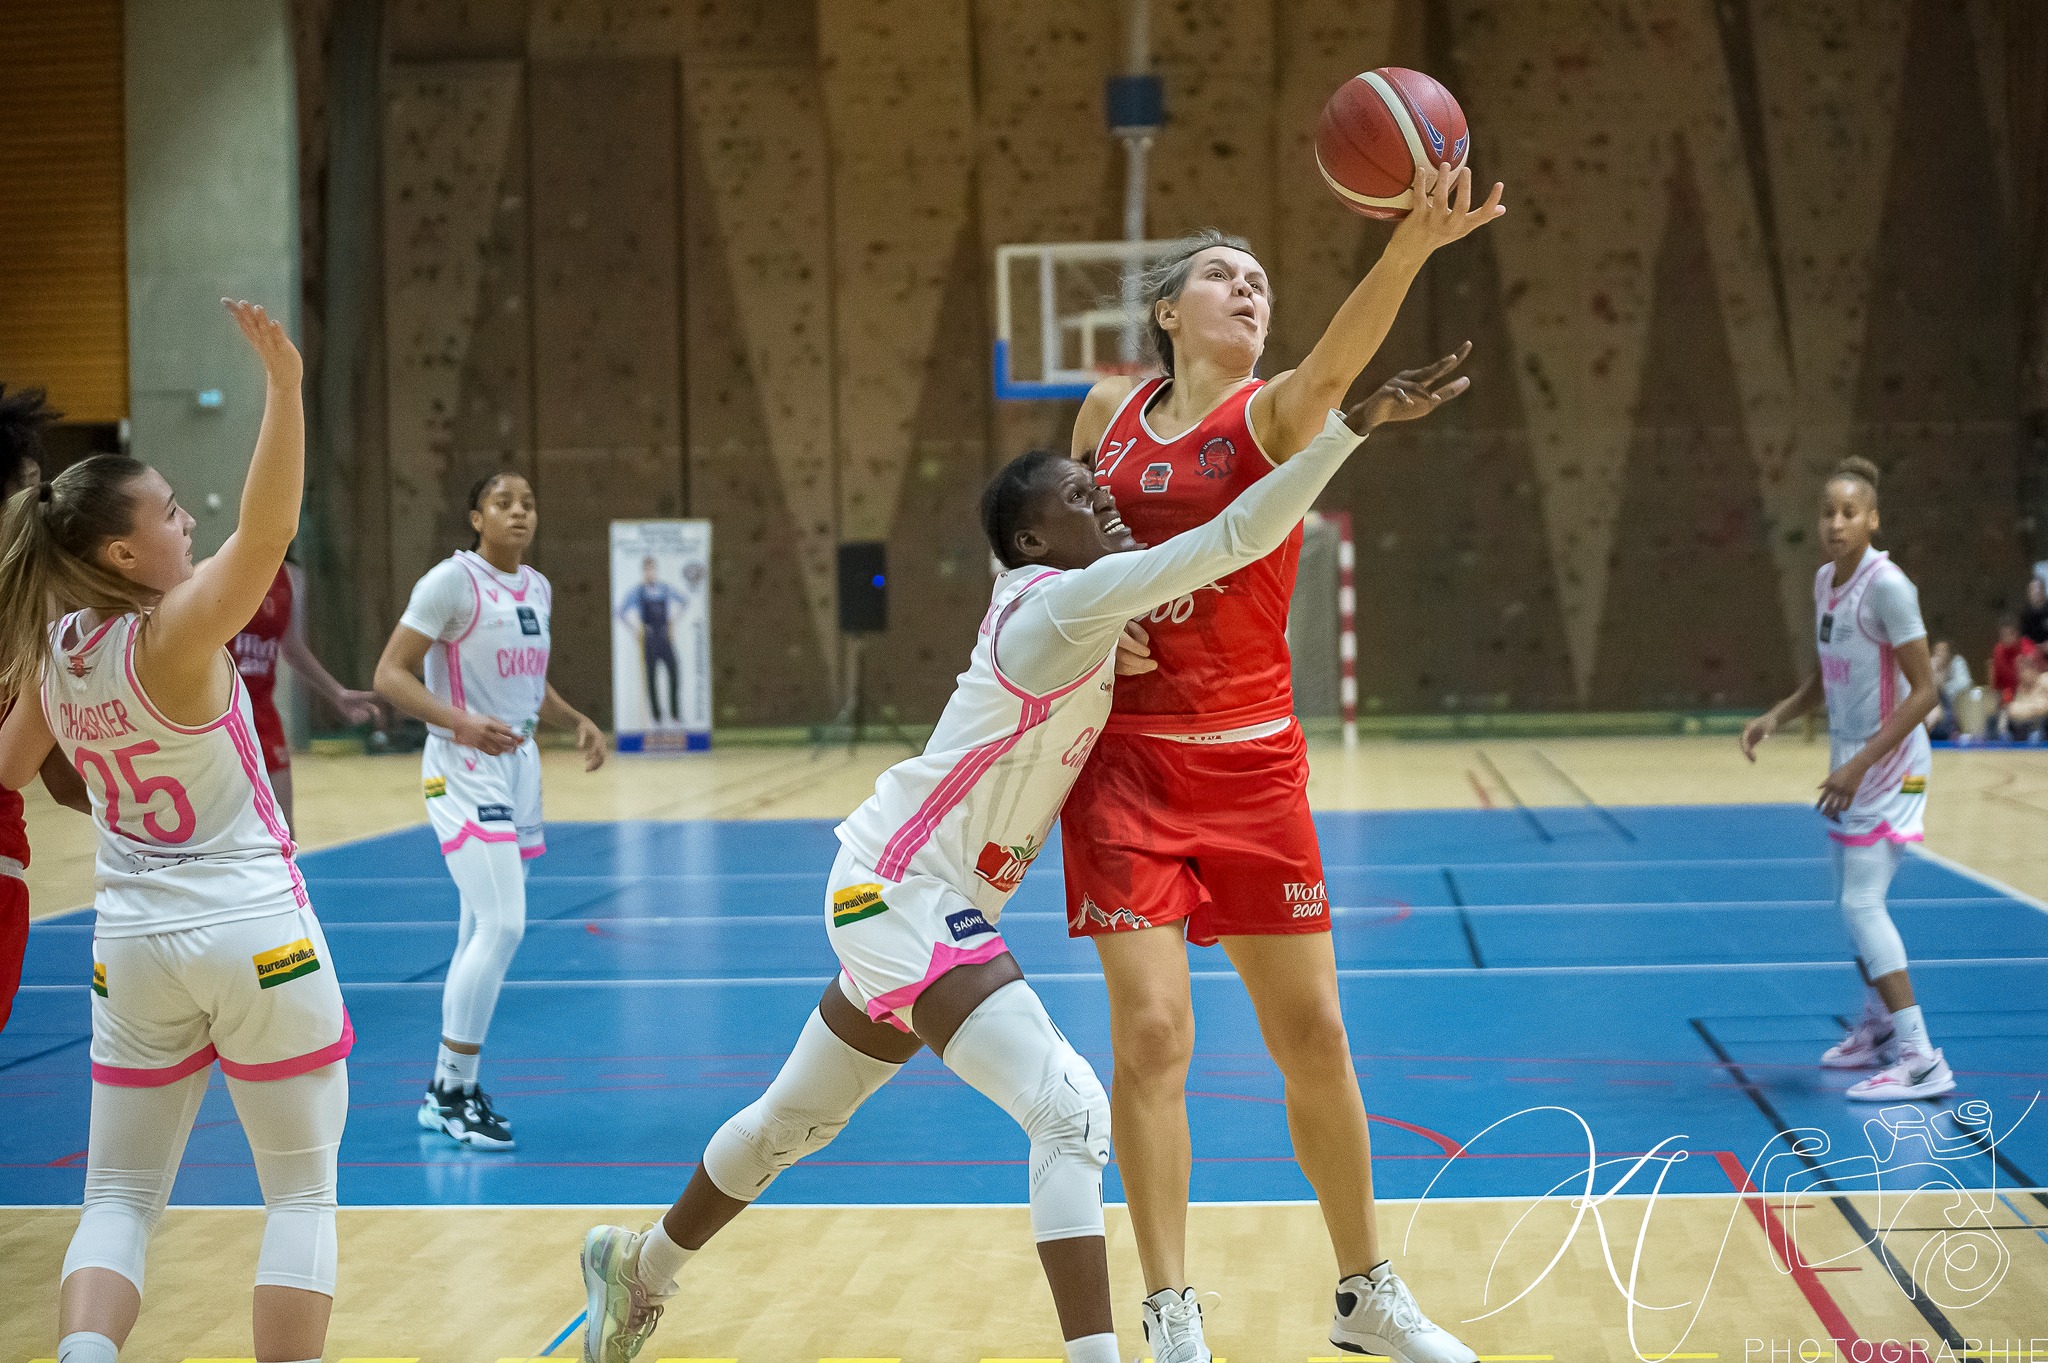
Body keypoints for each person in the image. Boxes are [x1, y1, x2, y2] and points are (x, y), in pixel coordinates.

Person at [573, 352, 1472, 1363]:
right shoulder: (1055, 602)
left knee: (791, 1121)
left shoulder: (1077, 606)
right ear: (1036, 537)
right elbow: (1238, 534)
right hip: (900, 895)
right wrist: (1348, 427)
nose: (1113, 500)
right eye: (1089, 494)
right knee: (1070, 1108)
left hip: (918, 901)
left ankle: (636, 1265)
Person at [1057, 164, 1503, 1363]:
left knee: (1312, 1038)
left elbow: (1338, 373)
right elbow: (1048, 553)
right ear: (1167, 308)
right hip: (1123, 770)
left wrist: (1407, 249)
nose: (1248, 288)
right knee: (1151, 1036)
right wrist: (1084, 611)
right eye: (1222, 273)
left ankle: (1364, 1292)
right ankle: (1169, 1312)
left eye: (1260, 279)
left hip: (1252, 768)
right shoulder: (1104, 416)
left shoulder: (1271, 414)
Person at [0, 303, 350, 1363]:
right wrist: (284, 388)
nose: (188, 519)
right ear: (121, 548)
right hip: (256, 934)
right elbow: (272, 526)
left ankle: (83, 1356)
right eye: (167, 512)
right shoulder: (179, 630)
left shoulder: (55, 653)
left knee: (115, 1194)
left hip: (134, 946)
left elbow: (7, 772)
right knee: (299, 1193)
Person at [374, 470, 607, 1149]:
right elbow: (390, 674)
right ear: (476, 516)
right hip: (463, 763)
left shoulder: (537, 587)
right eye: (503, 503)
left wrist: (572, 720)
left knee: (479, 928)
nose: (519, 513)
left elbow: (528, 682)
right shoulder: (451, 582)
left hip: (518, 764)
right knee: (503, 924)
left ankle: (444, 1087)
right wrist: (460, 722)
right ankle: (453, 1090)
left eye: (529, 503)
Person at [1741, 456, 1952, 1101]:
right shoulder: (1825, 582)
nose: (1836, 522)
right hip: (1855, 762)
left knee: (1863, 904)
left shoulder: (1890, 588)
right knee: (1856, 903)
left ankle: (1920, 1058)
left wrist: (1858, 767)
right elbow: (1828, 672)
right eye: (1828, 511)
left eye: (1850, 512)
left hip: (1892, 765)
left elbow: (1927, 692)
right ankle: (1879, 1030)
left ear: (1872, 519)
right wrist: (1776, 716)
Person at [0, 384, 92, 1036]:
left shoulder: (40, 609)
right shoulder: (37, 615)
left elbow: (57, 774)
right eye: (34, 487)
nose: (46, 502)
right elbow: (45, 773)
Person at [231, 559, 380, 831]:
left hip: (263, 716)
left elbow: (292, 647)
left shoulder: (291, 578)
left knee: (284, 831)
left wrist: (336, 693)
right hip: (223, 716)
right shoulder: (216, 570)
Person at [615, 556, 689, 726]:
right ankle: (656, 716)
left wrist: (672, 621)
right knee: (651, 677)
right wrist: (635, 629)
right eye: (647, 570)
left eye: (652, 569)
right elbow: (620, 611)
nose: (650, 573)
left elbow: (684, 601)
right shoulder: (638, 592)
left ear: (655, 570)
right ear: (644, 572)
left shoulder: (664, 589)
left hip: (664, 636)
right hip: (649, 639)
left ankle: (675, 713)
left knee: (674, 672)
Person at [1923, 640, 1971, 740]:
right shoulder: (1932, 664)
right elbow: (1928, 690)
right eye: (1937, 651)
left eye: (1943, 650)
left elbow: (1964, 684)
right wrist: (1936, 671)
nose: (1940, 654)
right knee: (1932, 714)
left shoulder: (1957, 662)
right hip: (1934, 703)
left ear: (1949, 653)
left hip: (1954, 704)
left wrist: (1943, 685)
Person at [1988, 617, 2036, 709]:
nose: (2005, 638)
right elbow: (1996, 684)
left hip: (2028, 697)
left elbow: (2033, 680)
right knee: (1992, 719)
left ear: (2017, 633)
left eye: (2009, 634)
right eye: (2002, 635)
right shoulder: (1997, 651)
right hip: (2007, 700)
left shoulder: (2027, 648)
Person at [2003, 651, 2048, 740]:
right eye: (2019, 671)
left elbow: (2045, 707)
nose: (2021, 674)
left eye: (2024, 670)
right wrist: (2033, 709)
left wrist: (2027, 709)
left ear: (2033, 668)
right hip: (2026, 728)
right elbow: (2012, 710)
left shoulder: (2045, 680)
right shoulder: (2021, 688)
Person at [2019, 576, 2048, 649]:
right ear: (2028, 593)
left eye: (2039, 588)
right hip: (2034, 653)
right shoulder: (2025, 615)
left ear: (2043, 590)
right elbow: (2024, 638)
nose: (2036, 592)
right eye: (2033, 589)